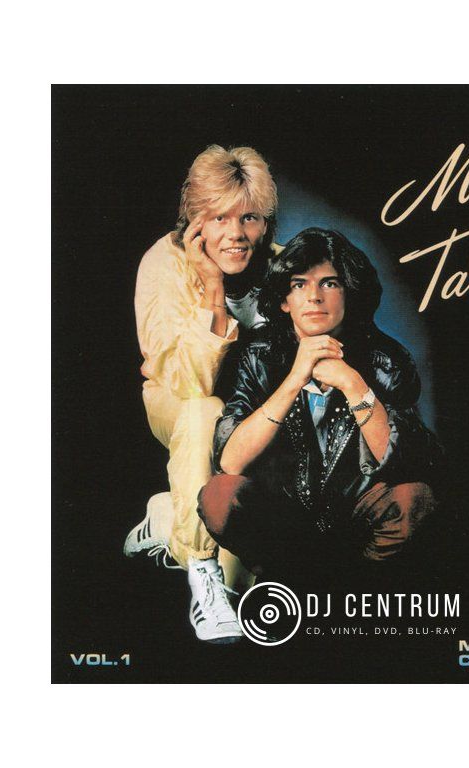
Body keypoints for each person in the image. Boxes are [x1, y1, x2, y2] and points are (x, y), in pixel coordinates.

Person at [198, 228, 440, 584]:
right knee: (220, 495)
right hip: (283, 520)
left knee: (414, 500)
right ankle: (287, 580)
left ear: (349, 293)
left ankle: (354, 584)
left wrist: (352, 383)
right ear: (284, 300)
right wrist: (294, 379)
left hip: (357, 520)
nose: (313, 296)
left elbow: (407, 465)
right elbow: (230, 462)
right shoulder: (258, 357)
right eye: (299, 285)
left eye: (329, 283)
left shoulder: (386, 360)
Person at [126, 145, 279, 643]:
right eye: (219, 218)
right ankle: (202, 573)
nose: (236, 233)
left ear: (265, 223)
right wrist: (213, 291)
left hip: (250, 421)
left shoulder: (283, 266)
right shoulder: (163, 263)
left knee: (252, 576)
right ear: (195, 222)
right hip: (180, 405)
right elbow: (190, 381)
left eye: (249, 217)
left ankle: (166, 516)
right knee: (202, 411)